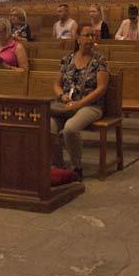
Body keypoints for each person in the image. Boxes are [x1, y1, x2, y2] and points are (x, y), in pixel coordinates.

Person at [52, 24, 109, 179]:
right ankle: (58, 166)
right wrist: (61, 96)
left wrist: (80, 103)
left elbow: (101, 88)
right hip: (66, 105)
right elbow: (57, 84)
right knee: (48, 126)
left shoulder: (99, 59)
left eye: (92, 36)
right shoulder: (68, 59)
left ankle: (76, 168)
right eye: (86, 35)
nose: (90, 39)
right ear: (78, 39)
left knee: (70, 129)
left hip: (90, 105)